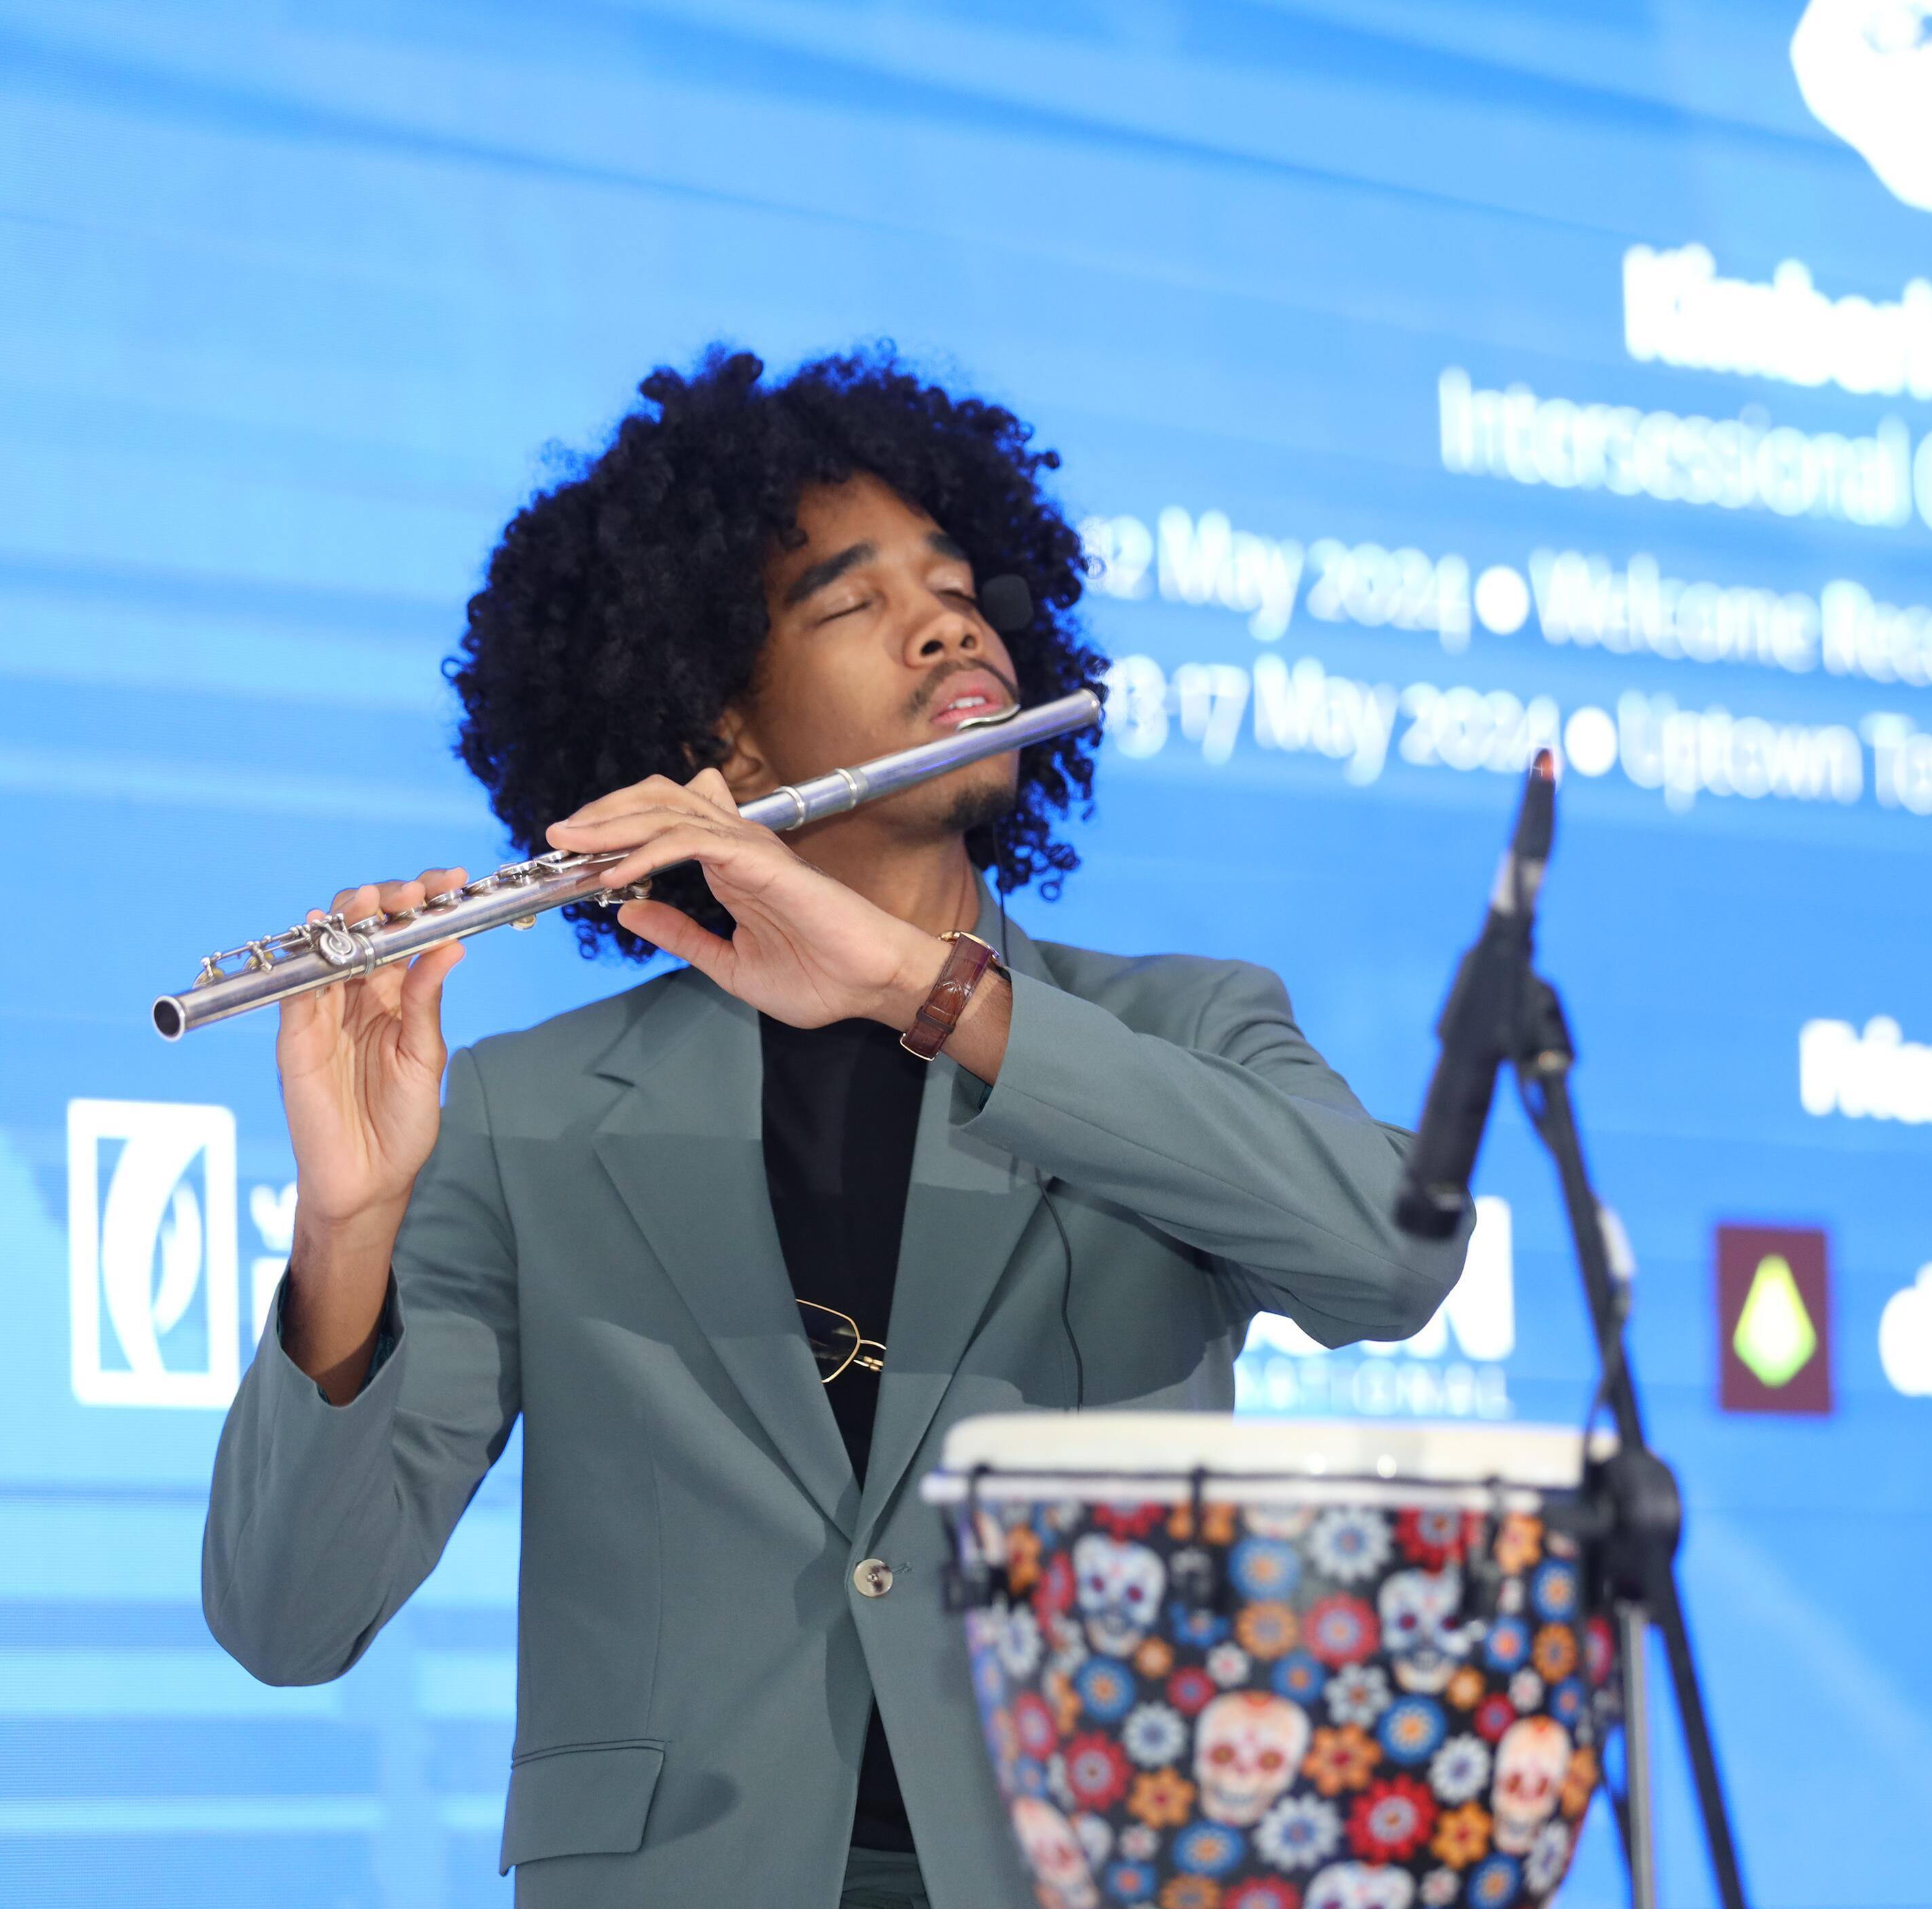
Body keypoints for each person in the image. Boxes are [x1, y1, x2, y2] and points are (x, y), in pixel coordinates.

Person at [201, 347, 1468, 1909]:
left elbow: (1392, 1256)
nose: (950, 624)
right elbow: (287, 1616)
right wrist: (346, 1226)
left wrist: (926, 985)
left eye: (961, 590)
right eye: (852, 602)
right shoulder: (535, 1112)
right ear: (725, 743)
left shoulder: (1181, 1027)